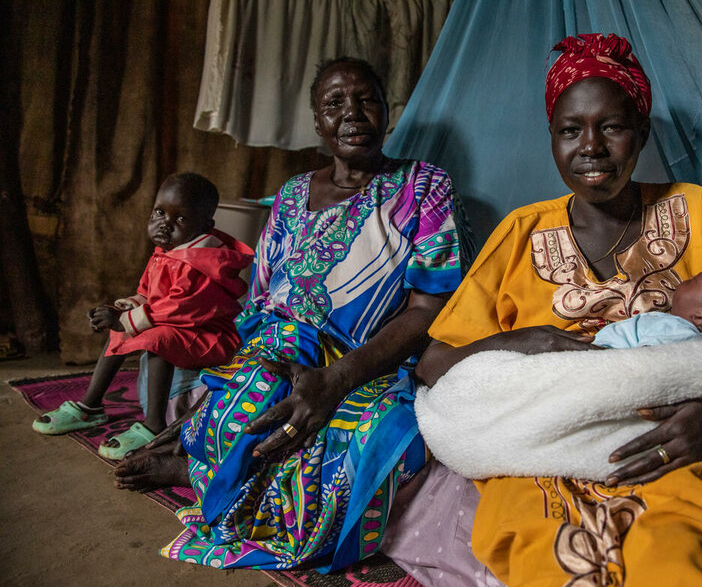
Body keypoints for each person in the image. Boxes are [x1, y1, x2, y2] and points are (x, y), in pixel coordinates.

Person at [413, 33, 702, 586]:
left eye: (612, 127)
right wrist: (519, 341)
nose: (590, 146)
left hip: (666, 444)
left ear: (640, 133)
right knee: (551, 549)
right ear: (552, 139)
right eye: (570, 130)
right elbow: (434, 363)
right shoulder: (522, 232)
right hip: (545, 452)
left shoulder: (695, 209)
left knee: (689, 543)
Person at [115, 57, 468, 572]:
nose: (352, 113)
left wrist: (336, 378)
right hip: (274, 347)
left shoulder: (424, 186)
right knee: (255, 384)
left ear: (387, 112)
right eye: (334, 104)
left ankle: (199, 470)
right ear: (318, 123)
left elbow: (427, 310)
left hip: (361, 359)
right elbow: (260, 302)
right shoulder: (291, 195)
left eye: (366, 99)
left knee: (382, 433)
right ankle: (201, 456)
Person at [32, 173, 253, 460]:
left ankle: (154, 425)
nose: (165, 224)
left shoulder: (200, 264)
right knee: (121, 329)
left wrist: (129, 318)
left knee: (158, 339)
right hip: (184, 328)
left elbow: (177, 309)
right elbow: (148, 295)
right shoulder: (167, 252)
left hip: (213, 338)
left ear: (205, 226)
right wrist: (122, 309)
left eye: (180, 219)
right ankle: (90, 407)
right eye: (160, 212)